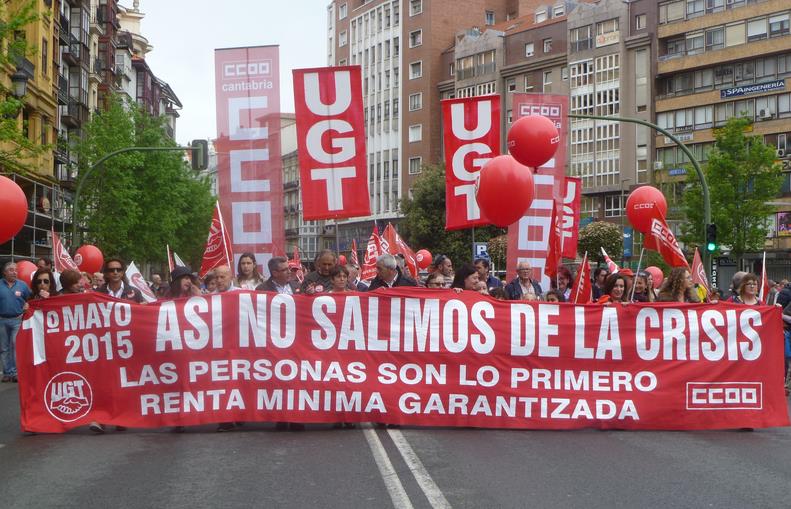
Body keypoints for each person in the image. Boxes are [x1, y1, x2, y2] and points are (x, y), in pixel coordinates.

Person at [0, 262, 31, 383]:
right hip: (1, 320)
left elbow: (30, 298)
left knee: (15, 347)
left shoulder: (22, 285)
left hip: (17, 320)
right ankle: (7, 373)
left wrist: (28, 304)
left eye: (16, 270)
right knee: (4, 348)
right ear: (5, 272)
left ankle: (16, 373)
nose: (14, 272)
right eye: (11, 270)